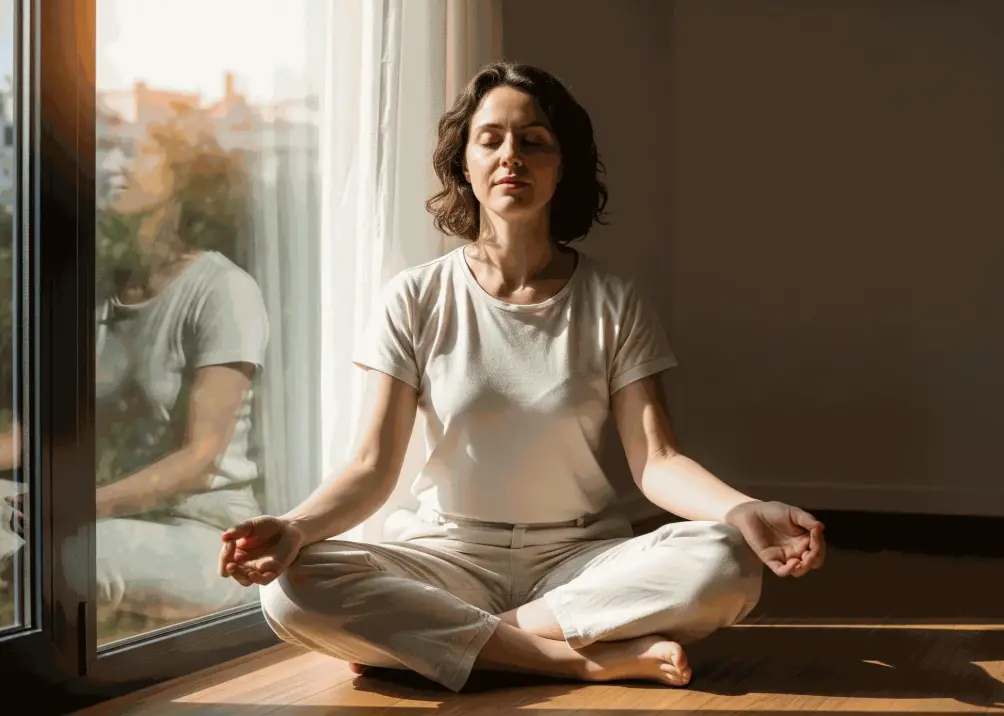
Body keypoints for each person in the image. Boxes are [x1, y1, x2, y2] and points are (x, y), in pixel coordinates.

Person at [219, 62, 827, 693]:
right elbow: (372, 468)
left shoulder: (614, 300)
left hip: (579, 559)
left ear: (562, 167)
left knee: (727, 561)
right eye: (491, 139)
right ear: (465, 164)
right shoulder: (416, 297)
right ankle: (575, 659)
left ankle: (454, 645)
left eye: (533, 141)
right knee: (293, 587)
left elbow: (658, 460)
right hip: (447, 557)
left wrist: (743, 508)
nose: (512, 156)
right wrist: (294, 528)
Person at [0, 121, 270, 628]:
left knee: (65, 556)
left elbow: (199, 460)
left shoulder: (223, 291)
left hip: (205, 532)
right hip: (109, 513)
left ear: (182, 178)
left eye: (130, 151)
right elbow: (36, 435)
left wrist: (75, 506)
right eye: (105, 152)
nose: (108, 167)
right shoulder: (99, 290)